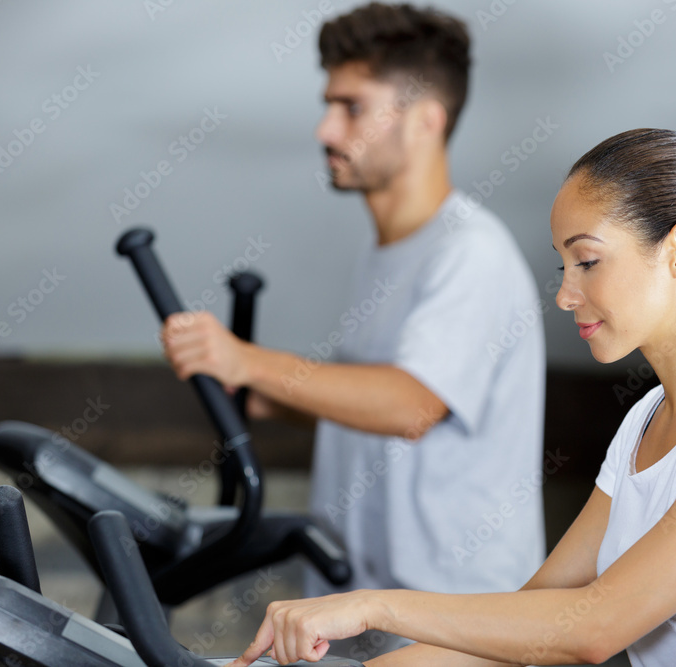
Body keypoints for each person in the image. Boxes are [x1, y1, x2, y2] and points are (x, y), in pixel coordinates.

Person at [225, 129, 676, 667]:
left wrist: (374, 604)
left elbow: (591, 627)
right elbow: (530, 624)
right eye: (563, 265)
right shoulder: (645, 424)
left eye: (587, 260)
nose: (565, 294)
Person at [160, 0, 547, 648]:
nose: (325, 130)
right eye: (329, 105)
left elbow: (411, 406)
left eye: (352, 107)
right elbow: (378, 407)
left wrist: (246, 359)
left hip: (449, 628)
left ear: (426, 120)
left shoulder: (469, 254)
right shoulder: (386, 255)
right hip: (364, 605)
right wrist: (271, 399)